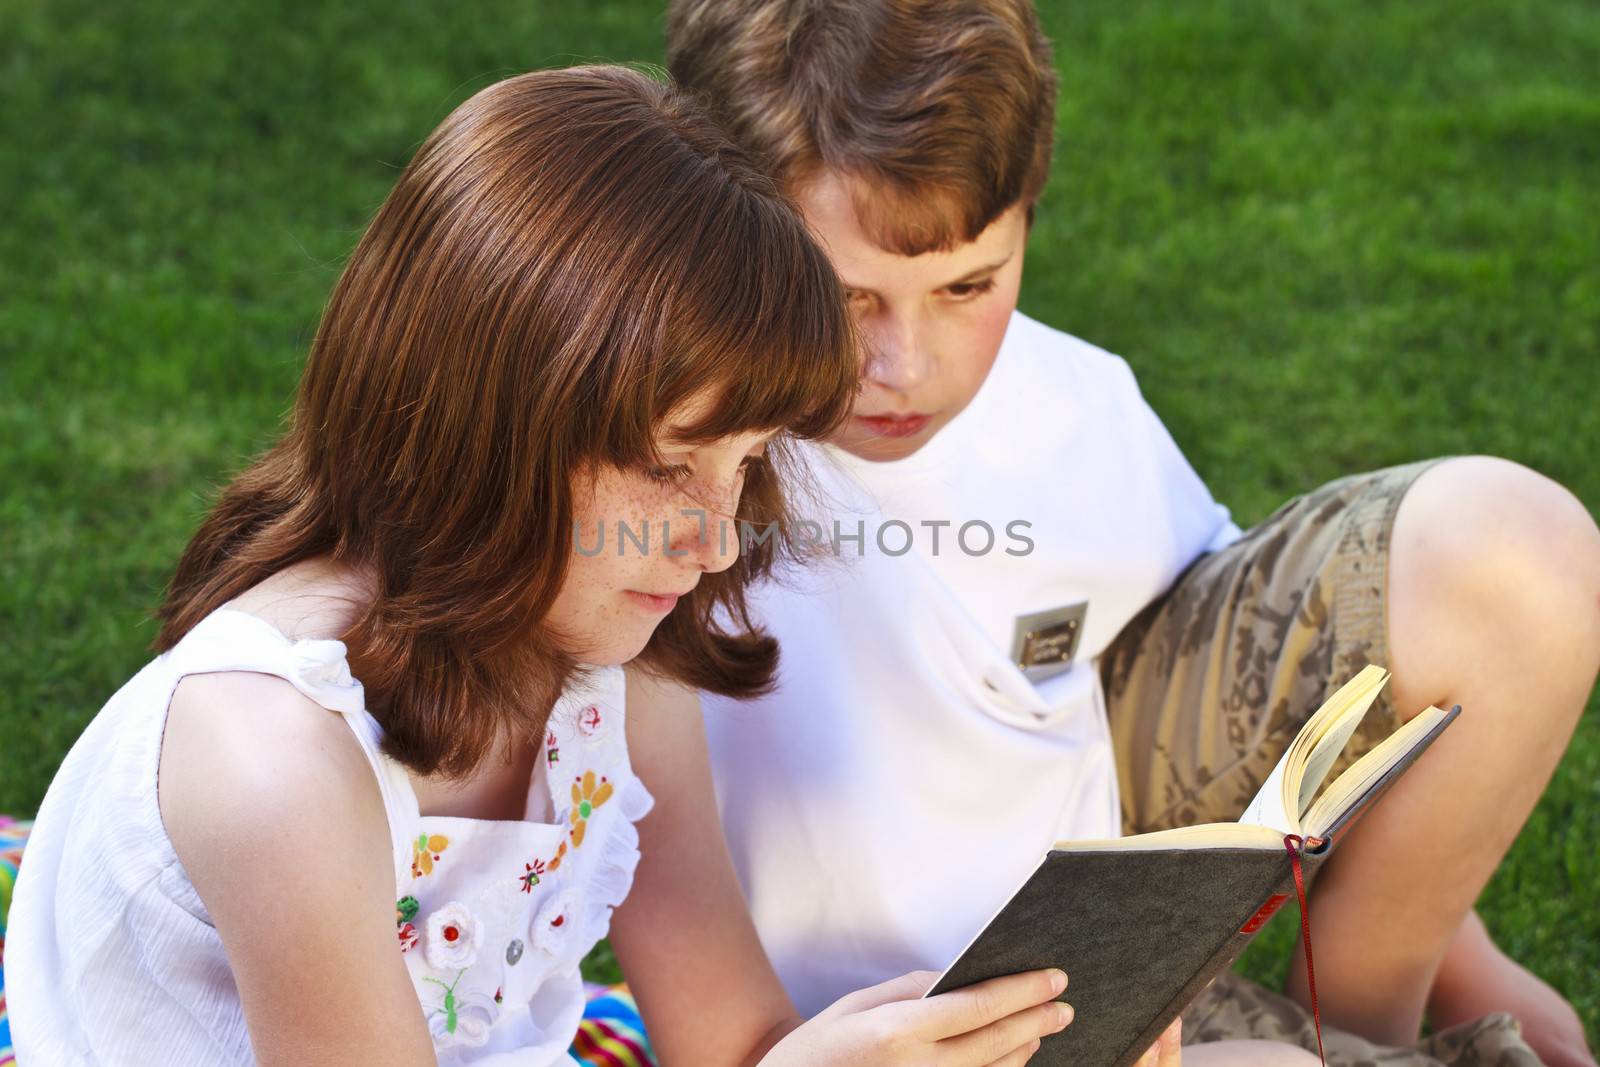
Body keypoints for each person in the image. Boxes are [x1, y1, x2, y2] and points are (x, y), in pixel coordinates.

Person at [5, 65, 1085, 1067]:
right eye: (667, 466)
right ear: (487, 428)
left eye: (746, 461)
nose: (717, 540)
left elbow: (733, 1037)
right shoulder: (275, 757)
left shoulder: (620, 656)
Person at [663, 3, 1600, 1066]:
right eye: (845, 296)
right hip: (886, 1038)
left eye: (967, 285)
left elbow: (1266, 686)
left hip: (1107, 966)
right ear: (722, 223)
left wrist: (1458, 945)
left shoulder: (1074, 405)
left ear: (1025, 217)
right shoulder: (669, 479)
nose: (903, 365)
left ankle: (1361, 1020)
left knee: (1516, 551)